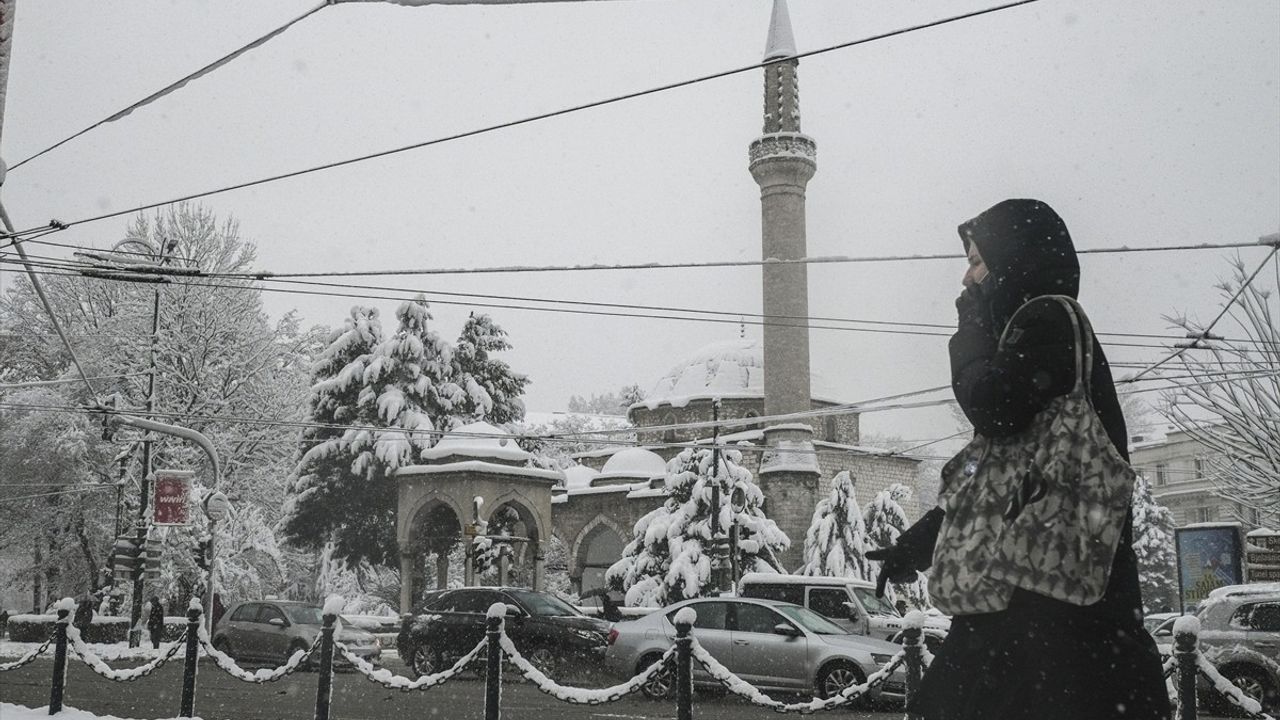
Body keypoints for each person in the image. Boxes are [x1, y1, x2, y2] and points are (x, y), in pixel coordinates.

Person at [866, 199, 1169, 720]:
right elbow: (1002, 480)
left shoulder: (1049, 317)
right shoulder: (1029, 336)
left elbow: (992, 405)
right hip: (1040, 607)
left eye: (979, 261)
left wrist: (969, 331)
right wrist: (917, 545)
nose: (967, 277)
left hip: (1051, 620)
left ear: (1015, 262)